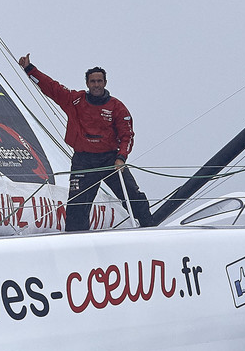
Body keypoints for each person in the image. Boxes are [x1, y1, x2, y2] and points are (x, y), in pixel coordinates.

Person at [18, 56, 152, 231]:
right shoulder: (75, 100)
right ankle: (75, 237)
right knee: (77, 204)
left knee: (132, 194)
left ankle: (150, 226)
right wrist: (29, 69)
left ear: (105, 83)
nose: (96, 85)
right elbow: (51, 87)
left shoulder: (117, 107)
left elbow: (127, 135)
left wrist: (121, 157)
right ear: (87, 83)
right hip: (83, 161)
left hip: (111, 160)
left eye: (99, 81)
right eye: (93, 81)